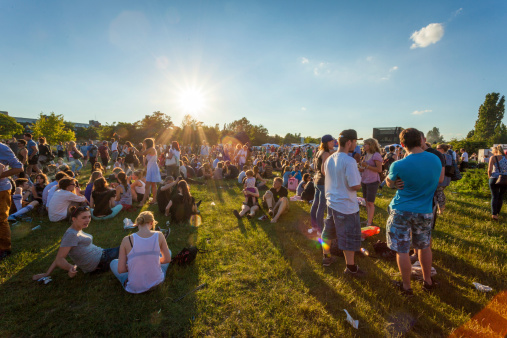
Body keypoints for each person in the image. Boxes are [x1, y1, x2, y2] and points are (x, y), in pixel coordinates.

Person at [385, 128, 441, 296]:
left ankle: (406, 287)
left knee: (402, 249)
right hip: (424, 210)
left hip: (401, 210)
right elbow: (438, 180)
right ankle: (428, 282)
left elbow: (389, 182)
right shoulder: (436, 159)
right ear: (420, 140)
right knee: (424, 246)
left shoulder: (399, 164)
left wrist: (395, 182)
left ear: (402, 144)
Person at [320, 129, 365, 277]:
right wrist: (360, 180)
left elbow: (326, 173)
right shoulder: (349, 161)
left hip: (331, 201)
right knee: (348, 237)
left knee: (328, 231)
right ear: (349, 142)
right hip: (346, 205)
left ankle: (326, 257)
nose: (356, 145)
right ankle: (351, 268)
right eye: (355, 142)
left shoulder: (329, 158)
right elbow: (354, 185)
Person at [32, 206, 119, 280]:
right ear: (74, 219)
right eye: (84, 217)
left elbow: (59, 256)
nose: (88, 220)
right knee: (130, 244)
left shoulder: (74, 230)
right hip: (100, 261)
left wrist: (47, 273)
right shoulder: (71, 234)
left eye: (89, 217)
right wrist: (70, 268)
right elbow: (60, 259)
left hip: (102, 254)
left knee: (128, 245)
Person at [110, 211, 171, 293]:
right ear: (152, 223)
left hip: (134, 288)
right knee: (168, 252)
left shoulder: (126, 240)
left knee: (113, 262)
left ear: (138, 223)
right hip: (157, 283)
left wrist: (133, 265)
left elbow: (121, 269)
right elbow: (167, 259)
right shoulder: (159, 235)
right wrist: (150, 261)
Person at [0, 144, 24, 260]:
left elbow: (19, 167)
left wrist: (1, 174)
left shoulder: (2, 148)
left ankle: (4, 249)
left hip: (1, 189)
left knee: (1, 219)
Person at [310, 135, 335, 233]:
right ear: (327, 143)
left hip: (317, 181)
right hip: (323, 182)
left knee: (315, 204)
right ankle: (320, 230)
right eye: (332, 141)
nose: (334, 143)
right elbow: (324, 171)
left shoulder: (319, 152)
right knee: (321, 206)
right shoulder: (325, 154)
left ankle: (314, 227)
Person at [358, 138, 383, 226]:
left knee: (370, 202)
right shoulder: (365, 155)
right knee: (366, 201)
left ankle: (369, 222)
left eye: (365, 144)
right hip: (364, 180)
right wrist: (360, 167)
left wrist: (367, 166)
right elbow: (363, 168)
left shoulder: (376, 155)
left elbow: (379, 169)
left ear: (371, 145)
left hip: (373, 181)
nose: (363, 146)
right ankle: (369, 220)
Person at [134, 138, 161, 205]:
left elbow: (140, 154)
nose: (143, 144)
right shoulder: (149, 150)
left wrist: (134, 148)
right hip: (150, 168)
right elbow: (143, 157)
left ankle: (143, 202)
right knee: (152, 185)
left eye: (144, 143)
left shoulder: (151, 149)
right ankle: (153, 200)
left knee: (149, 185)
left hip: (153, 168)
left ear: (147, 143)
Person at [487, 145, 507, 221]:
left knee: (494, 196)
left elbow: (489, 170)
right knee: (500, 196)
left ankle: (494, 214)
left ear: (495, 151)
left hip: (494, 178)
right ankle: (498, 212)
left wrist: (490, 178)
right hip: (505, 179)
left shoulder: (493, 158)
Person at [436, 144, 452, 214]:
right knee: (440, 192)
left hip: (441, 176)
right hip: (447, 176)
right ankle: (440, 208)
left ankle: (441, 209)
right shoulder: (449, 156)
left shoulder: (441, 156)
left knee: (439, 193)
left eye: (438, 148)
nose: (436, 150)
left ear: (442, 149)